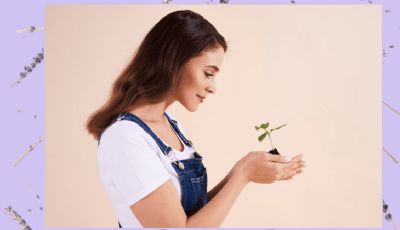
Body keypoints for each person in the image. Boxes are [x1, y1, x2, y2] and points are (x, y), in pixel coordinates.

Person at [86, 10, 305, 228]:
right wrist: (243, 174)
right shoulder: (125, 138)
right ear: (174, 61)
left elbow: (192, 219)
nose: (213, 87)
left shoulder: (169, 124)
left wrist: (243, 169)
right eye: (209, 73)